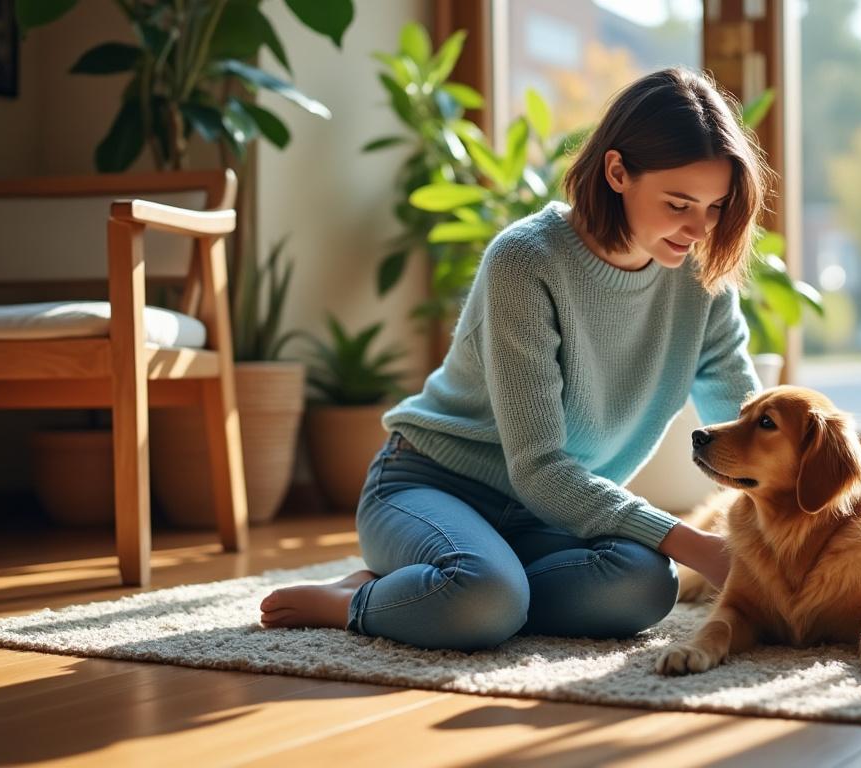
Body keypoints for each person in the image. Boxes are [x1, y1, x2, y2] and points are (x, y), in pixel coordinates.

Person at [259, 67, 770, 650]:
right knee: (489, 596)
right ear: (618, 172)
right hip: (433, 485)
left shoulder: (703, 280)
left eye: (714, 207)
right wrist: (698, 544)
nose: (698, 229)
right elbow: (540, 467)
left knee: (644, 585)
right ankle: (365, 598)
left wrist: (810, 514)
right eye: (679, 203)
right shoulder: (526, 260)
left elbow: (745, 420)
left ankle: (445, 590)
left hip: (549, 517)